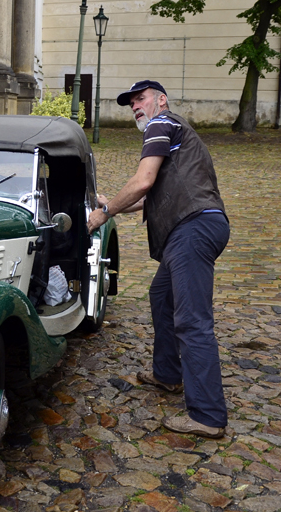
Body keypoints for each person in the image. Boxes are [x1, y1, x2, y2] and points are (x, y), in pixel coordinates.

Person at [87, 79, 230, 438]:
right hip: (194, 228)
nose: (136, 105)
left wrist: (103, 216)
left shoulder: (160, 124)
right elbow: (145, 198)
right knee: (161, 296)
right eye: (131, 102)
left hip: (192, 228)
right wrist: (110, 204)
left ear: (160, 100)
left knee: (193, 320)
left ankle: (208, 416)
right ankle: (167, 375)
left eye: (141, 98)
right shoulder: (169, 131)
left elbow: (142, 182)